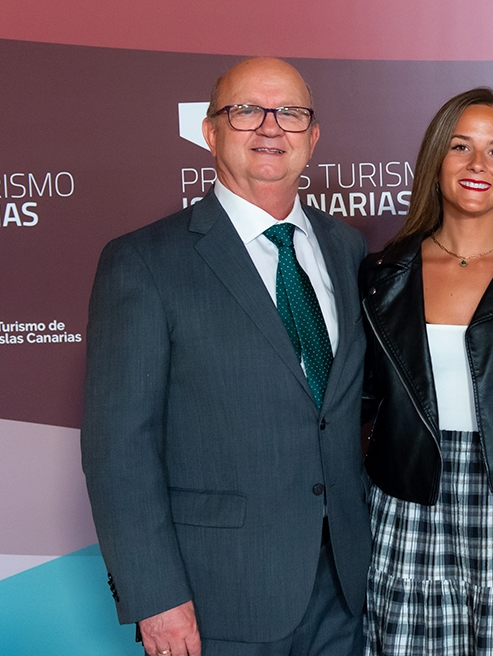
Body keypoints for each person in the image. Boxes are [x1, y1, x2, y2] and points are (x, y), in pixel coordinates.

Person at [81, 57, 371, 656]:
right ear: (209, 132)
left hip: (347, 587)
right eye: (246, 111)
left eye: (290, 113)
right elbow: (119, 450)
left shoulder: (346, 247)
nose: (271, 127)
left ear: (313, 137)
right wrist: (155, 597)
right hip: (217, 596)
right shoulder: (144, 262)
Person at [359, 88, 493, 655]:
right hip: (407, 500)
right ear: (436, 164)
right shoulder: (381, 274)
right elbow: (361, 405)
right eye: (461, 147)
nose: (478, 165)